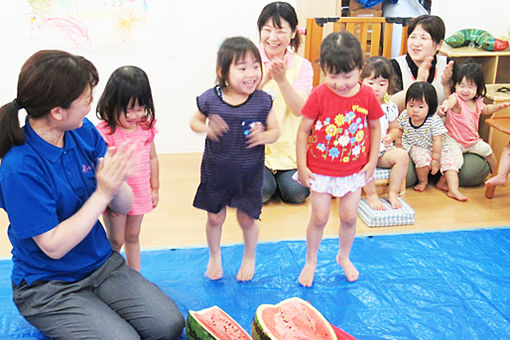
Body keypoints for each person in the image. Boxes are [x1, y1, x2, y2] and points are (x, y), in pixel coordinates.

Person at [0, 50, 184, 339]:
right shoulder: (19, 167)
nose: (90, 106)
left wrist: (118, 181)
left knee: (169, 325)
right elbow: (53, 246)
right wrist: (102, 193)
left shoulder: (81, 131)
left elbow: (123, 204)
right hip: (48, 285)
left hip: (100, 264)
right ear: (57, 112)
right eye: (85, 99)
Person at [295, 32, 382, 286]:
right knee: (320, 217)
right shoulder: (320, 94)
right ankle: (311, 261)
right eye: (333, 76)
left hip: (353, 172)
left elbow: (375, 127)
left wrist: (372, 160)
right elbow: (303, 130)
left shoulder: (366, 96)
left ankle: (343, 257)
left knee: (349, 217)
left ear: (360, 69)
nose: (341, 83)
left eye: (348, 76)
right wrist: (302, 165)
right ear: (323, 70)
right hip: (320, 171)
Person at [190, 37, 279, 281]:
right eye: (242, 68)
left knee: (247, 219)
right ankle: (214, 255)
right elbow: (194, 121)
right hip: (215, 172)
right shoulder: (211, 98)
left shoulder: (263, 100)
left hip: (249, 175)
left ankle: (249, 256)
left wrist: (264, 136)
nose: (251, 73)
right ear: (223, 72)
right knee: (214, 217)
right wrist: (206, 128)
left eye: (256, 66)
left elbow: (276, 131)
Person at [390, 14, 490, 187]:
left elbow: (464, 102)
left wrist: (445, 86)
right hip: (412, 138)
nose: (416, 43)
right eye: (412, 37)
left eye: (424, 38)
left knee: (473, 173)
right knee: (408, 177)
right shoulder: (395, 66)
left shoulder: (448, 65)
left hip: (446, 139)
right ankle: (431, 172)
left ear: (438, 44)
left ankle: (440, 171)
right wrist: (417, 82)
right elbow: (389, 106)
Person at [96, 65, 159, 272]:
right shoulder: (105, 131)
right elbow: (100, 167)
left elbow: (152, 158)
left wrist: (155, 188)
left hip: (140, 191)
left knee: (133, 235)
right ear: (113, 103)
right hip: (116, 194)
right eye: (129, 109)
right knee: (115, 239)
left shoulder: (145, 126)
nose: (135, 115)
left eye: (140, 108)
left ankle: (135, 276)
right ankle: (110, 275)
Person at [257, 1, 313, 204]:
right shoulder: (248, 59)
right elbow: (239, 104)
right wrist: (265, 79)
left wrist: (281, 80)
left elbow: (300, 110)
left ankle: (277, 181)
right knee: (261, 191)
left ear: (292, 33)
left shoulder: (302, 66)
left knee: (296, 194)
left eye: (280, 31)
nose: (272, 38)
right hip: (255, 150)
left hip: (289, 153)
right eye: (267, 30)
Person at [386, 82, 465, 200]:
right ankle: (423, 181)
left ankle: (453, 189)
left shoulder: (433, 120)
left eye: (420, 107)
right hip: (417, 146)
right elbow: (399, 131)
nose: (415, 110)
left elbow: (438, 140)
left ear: (430, 107)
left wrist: (436, 159)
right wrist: (398, 144)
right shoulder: (404, 116)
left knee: (451, 166)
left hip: (436, 148)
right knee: (422, 162)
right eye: (411, 105)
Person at [438, 61, 510, 179]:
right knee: (455, 162)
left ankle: (497, 175)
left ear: (478, 88)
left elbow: (486, 109)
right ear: (455, 86)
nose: (465, 90)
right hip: (454, 140)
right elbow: (449, 102)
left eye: (470, 87)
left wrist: (498, 107)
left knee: (488, 151)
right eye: (461, 86)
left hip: (472, 141)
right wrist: (445, 106)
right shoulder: (456, 99)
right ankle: (443, 182)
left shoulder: (477, 101)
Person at [360, 56, 409, 209]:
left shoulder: (389, 107)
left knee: (402, 156)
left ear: (388, 84)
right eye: (371, 83)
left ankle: (393, 193)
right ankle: (371, 194)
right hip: (362, 153)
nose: (376, 88)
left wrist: (390, 136)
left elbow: (396, 129)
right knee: (361, 159)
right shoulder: (357, 104)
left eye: (382, 84)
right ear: (361, 81)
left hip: (381, 153)